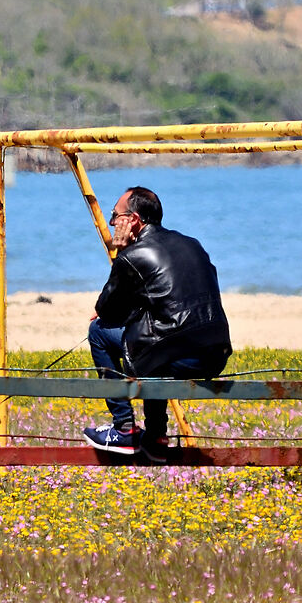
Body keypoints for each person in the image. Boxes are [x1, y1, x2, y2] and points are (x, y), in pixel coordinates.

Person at [83, 186, 232, 461]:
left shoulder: (133, 255)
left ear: (134, 220)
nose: (113, 222)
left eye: (115, 216)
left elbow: (107, 311)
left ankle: (124, 428)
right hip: (216, 354)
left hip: (179, 353)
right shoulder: (191, 243)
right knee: (154, 345)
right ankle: (156, 437)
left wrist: (123, 250)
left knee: (99, 333)